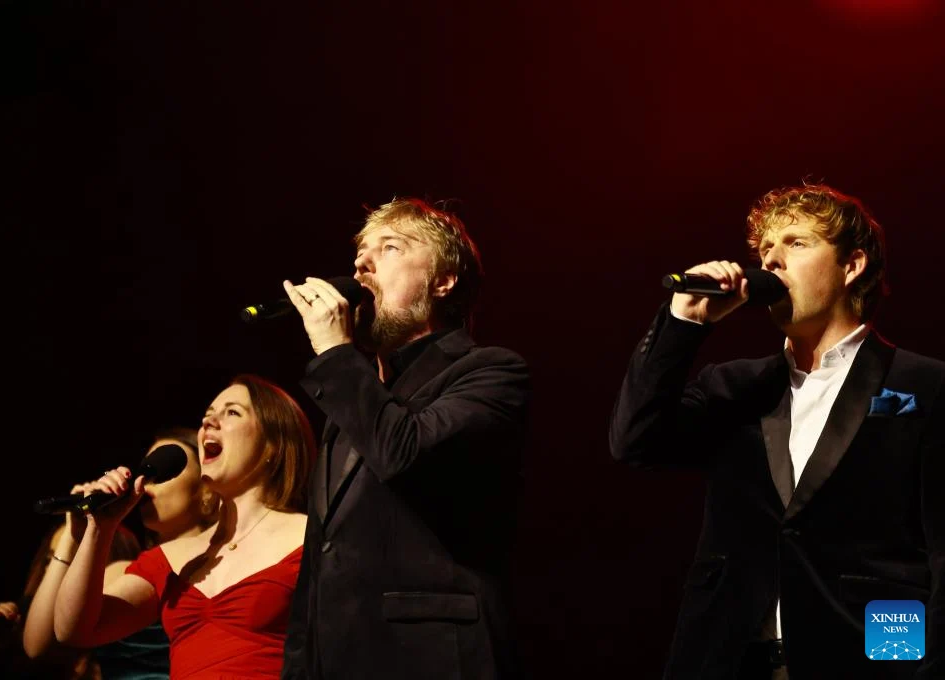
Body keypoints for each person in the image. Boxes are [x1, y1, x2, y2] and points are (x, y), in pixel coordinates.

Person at [609, 183, 944, 679]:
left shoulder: (926, 385)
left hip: (867, 660)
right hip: (729, 660)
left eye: (796, 243)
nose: (771, 260)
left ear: (852, 266)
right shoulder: (734, 386)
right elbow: (635, 441)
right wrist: (684, 323)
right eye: (766, 249)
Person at [280, 197, 532, 679]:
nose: (361, 265)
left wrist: (336, 353)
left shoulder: (490, 372)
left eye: (390, 248)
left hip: (429, 658)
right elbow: (320, 562)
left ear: (443, 281)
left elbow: (404, 453)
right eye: (360, 254)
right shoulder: (353, 398)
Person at [52, 376, 315, 679]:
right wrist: (100, 529)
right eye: (208, 414)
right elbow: (73, 629)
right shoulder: (172, 559)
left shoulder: (311, 538)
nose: (208, 422)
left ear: (274, 444)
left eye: (232, 412)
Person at [22, 428, 219, 679]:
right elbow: (38, 646)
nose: (146, 483)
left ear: (207, 488)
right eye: (147, 469)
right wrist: (74, 534)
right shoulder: (125, 573)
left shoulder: (229, 565)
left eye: (164, 469)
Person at [0, 520, 142, 679]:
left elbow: (39, 651)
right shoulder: (22, 614)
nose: (54, 571)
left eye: (72, 559)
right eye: (51, 559)